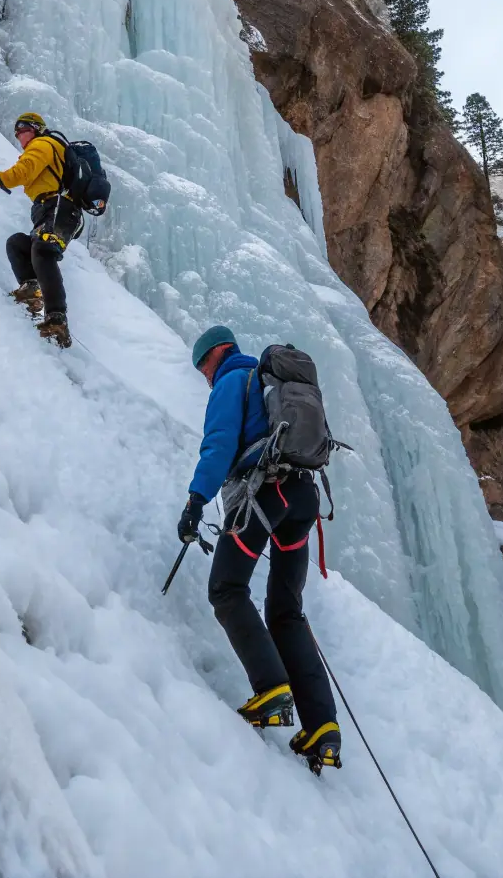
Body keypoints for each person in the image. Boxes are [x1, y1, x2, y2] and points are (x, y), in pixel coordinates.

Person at [178, 324, 341, 773]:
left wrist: (196, 500)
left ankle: (271, 688)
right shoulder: (274, 386)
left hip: (266, 494)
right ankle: (322, 729)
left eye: (203, 366)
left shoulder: (232, 380)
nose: (204, 376)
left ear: (216, 354)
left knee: (227, 589)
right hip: (302, 497)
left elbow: (219, 443)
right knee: (287, 611)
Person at [0, 111, 90, 347]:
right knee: (18, 244)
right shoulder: (44, 147)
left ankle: (57, 318)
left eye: (21, 131)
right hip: (50, 209)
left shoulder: (42, 144)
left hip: (59, 207)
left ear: (33, 129)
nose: (18, 137)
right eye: (17, 133)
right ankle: (32, 291)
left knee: (43, 250)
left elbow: (18, 175)